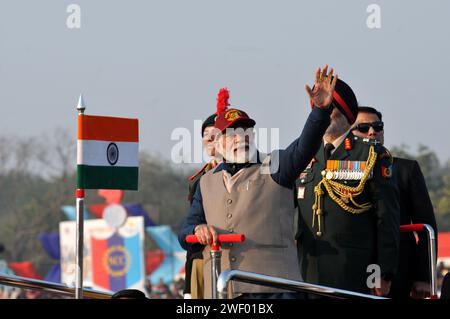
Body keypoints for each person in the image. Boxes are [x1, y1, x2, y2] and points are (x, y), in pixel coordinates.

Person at [178, 65, 336, 298]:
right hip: (224, 291)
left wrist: (320, 112)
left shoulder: (276, 166)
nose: (240, 138)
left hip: (276, 290)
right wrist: (197, 229)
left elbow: (305, 146)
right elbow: (185, 233)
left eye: (245, 131)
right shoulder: (205, 182)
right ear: (219, 142)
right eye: (232, 134)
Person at [296, 80, 400, 297]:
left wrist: (383, 272)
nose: (323, 112)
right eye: (318, 107)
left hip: (354, 271)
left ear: (345, 113)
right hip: (309, 271)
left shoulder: (371, 155)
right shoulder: (303, 154)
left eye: (329, 107)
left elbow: (386, 218)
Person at [351, 106, 438, 299]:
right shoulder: (338, 172)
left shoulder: (406, 170)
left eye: (377, 126)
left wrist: (425, 277)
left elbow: (426, 225)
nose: (372, 131)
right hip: (352, 269)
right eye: (363, 127)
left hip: (399, 273)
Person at [183, 88, 226, 299]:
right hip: (201, 256)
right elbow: (191, 224)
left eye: (215, 134)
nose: (209, 139)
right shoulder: (200, 180)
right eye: (205, 135)